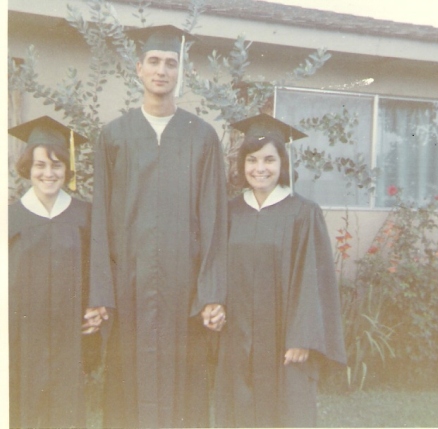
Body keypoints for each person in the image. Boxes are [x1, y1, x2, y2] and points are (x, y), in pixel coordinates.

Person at [83, 25, 228, 428]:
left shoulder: (202, 137)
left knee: (187, 395)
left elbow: (215, 219)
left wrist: (211, 292)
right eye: (154, 62)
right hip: (129, 286)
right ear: (139, 68)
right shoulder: (114, 136)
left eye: (170, 63)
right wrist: (101, 292)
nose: (162, 70)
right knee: (128, 392)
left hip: (185, 292)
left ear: (180, 71)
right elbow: (100, 221)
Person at [215, 114, 347, 428]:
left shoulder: (303, 212)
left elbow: (313, 280)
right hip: (238, 339)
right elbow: (216, 266)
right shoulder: (231, 211)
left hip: (285, 343)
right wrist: (214, 302)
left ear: (282, 163)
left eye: (269, 160)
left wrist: (302, 337)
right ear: (242, 164)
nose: (260, 168)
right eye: (252, 160)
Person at [8, 116, 93, 428]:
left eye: (57, 165)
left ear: (67, 170)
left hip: (67, 335)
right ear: (28, 168)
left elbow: (95, 272)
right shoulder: (11, 219)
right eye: (40, 165)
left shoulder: (84, 215)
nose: (48, 173)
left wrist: (95, 308)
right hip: (22, 335)